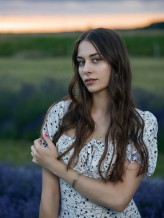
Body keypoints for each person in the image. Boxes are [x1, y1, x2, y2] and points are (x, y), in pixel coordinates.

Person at [31, 28, 158, 218]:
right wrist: (50, 166)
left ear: (116, 63)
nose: (86, 69)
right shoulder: (59, 114)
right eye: (81, 62)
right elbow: (49, 197)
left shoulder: (140, 124)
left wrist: (56, 166)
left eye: (96, 59)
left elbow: (119, 199)